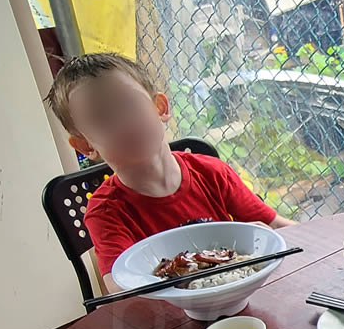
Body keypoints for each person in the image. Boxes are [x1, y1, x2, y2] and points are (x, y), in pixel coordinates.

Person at [45, 53, 294, 287]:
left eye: (129, 104)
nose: (123, 123)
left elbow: (277, 227)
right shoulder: (105, 212)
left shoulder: (211, 173)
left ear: (160, 108)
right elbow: (121, 288)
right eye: (102, 118)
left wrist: (276, 237)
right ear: (85, 145)